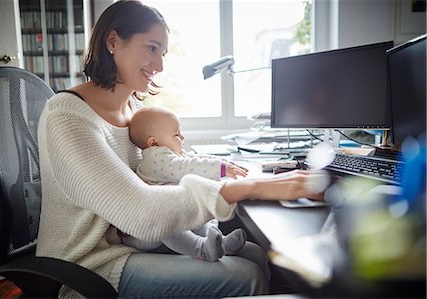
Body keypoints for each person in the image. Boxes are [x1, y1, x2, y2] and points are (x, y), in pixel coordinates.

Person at [36, 1, 326, 298]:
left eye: (162, 53)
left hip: (131, 243)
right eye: (151, 48)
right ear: (113, 41)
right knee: (245, 276)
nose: (160, 65)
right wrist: (249, 188)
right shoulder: (68, 117)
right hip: (89, 266)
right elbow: (142, 214)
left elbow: (173, 165)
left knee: (253, 254)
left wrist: (228, 172)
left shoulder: (133, 112)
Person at [122, 106, 248, 262]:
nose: (182, 137)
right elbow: (187, 166)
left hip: (174, 215)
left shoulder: (169, 153)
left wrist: (225, 163)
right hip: (146, 230)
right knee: (167, 222)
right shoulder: (155, 159)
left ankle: (219, 243)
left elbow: (197, 158)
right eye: (176, 134)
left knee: (200, 210)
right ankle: (202, 249)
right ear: (153, 143)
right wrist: (220, 169)